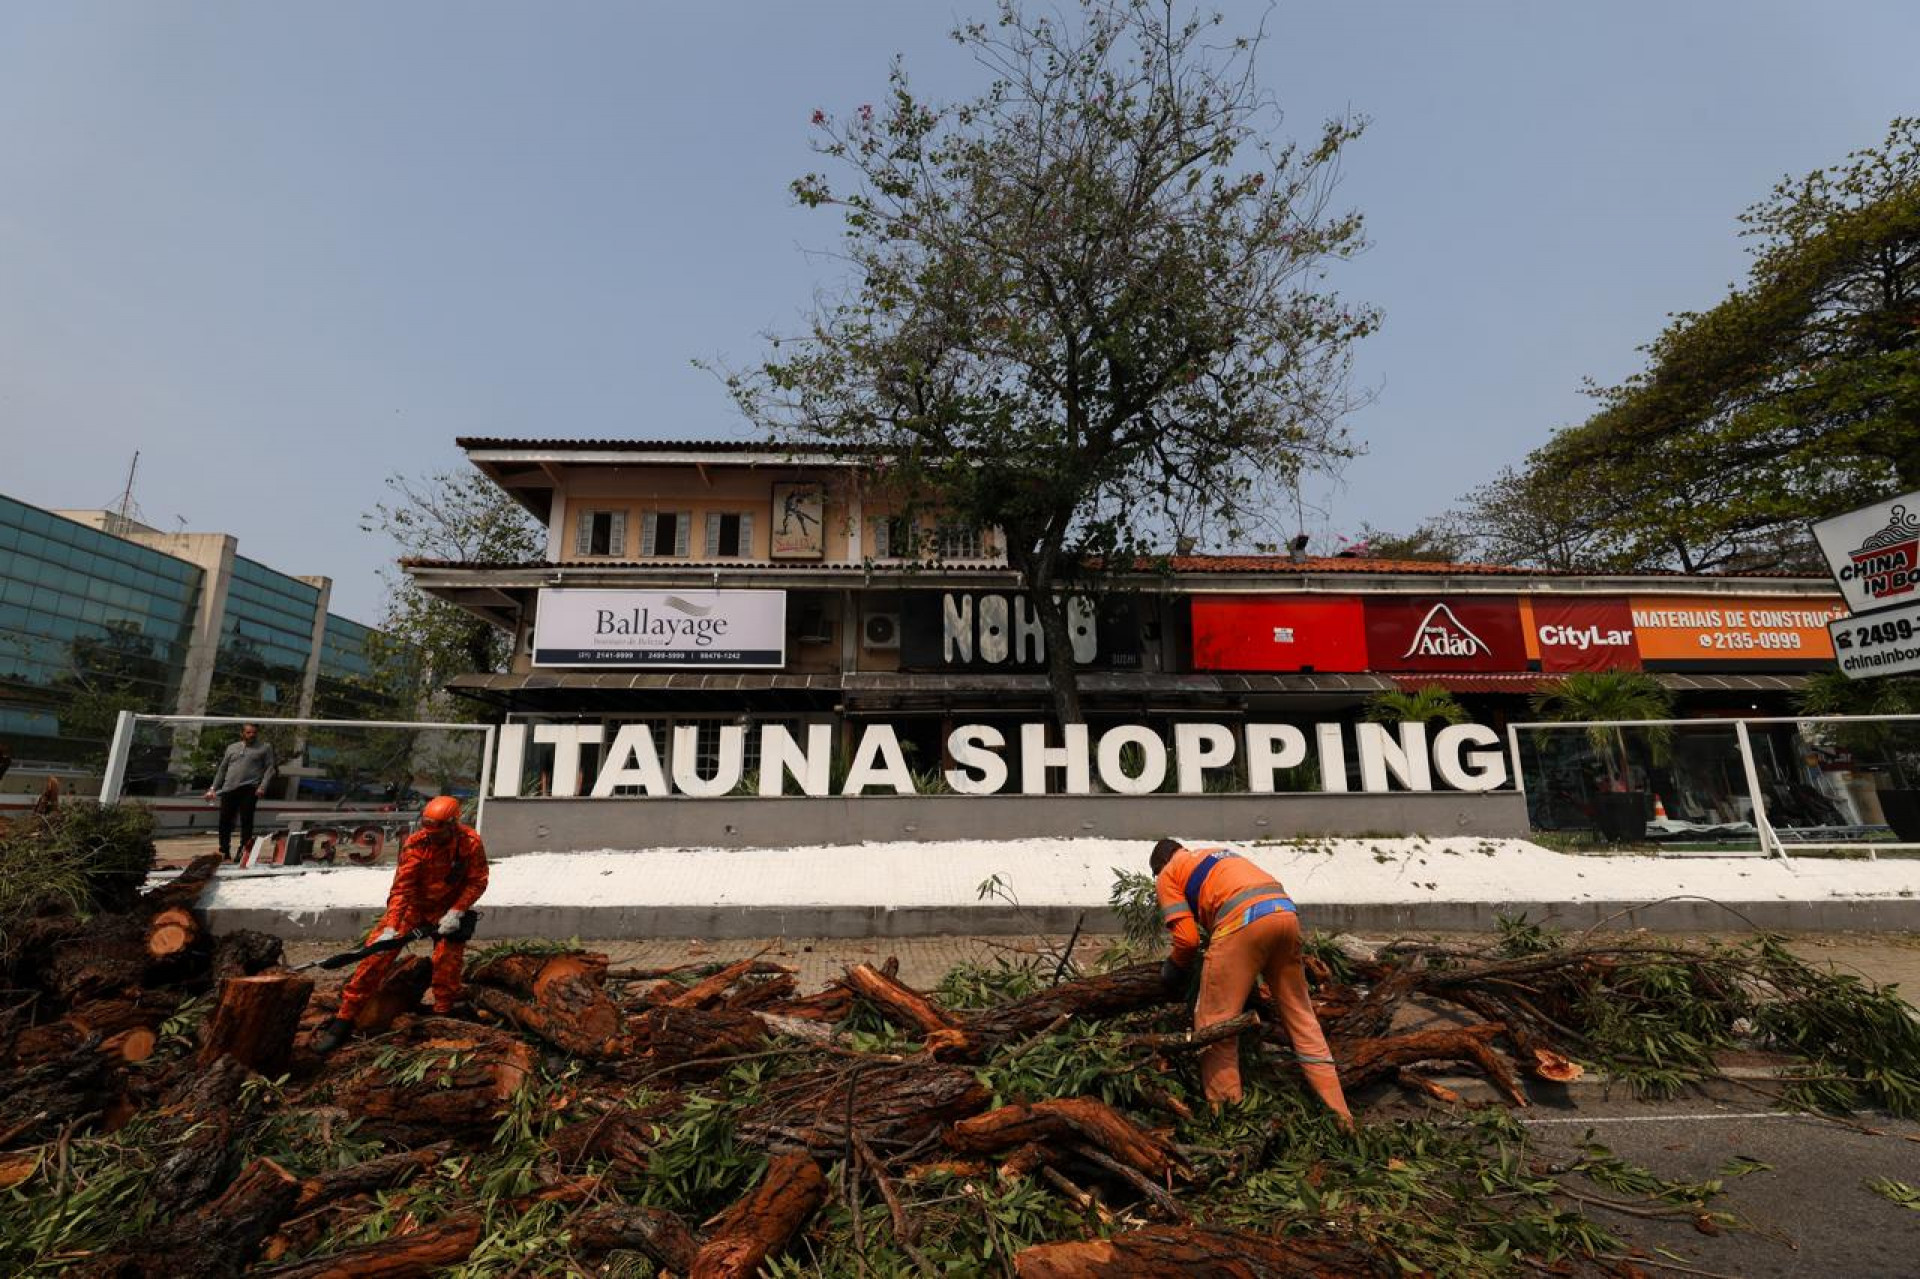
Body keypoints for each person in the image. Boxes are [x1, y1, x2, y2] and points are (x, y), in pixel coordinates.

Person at [1150, 837, 1352, 1125]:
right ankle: (1341, 1118)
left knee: (1215, 1026)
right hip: (1284, 914)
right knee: (1302, 1019)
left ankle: (1229, 1123)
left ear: (1160, 866)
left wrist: (1174, 969)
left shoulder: (1168, 873)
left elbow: (1187, 939)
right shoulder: (1214, 854)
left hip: (1242, 922)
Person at [312, 795, 489, 1053]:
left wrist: (456, 911)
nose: (433, 835)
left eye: (438, 831)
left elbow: (477, 880)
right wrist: (391, 927)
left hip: (447, 910)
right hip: (412, 909)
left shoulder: (470, 843)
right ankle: (344, 1019)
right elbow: (402, 890)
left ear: (453, 824)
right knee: (374, 958)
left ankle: (443, 1013)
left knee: (447, 963)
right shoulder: (416, 845)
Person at [204, 723, 277, 862]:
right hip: (229, 788)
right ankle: (224, 850)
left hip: (249, 788)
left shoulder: (264, 748)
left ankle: (244, 849)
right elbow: (222, 769)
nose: (252, 735)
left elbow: (270, 768)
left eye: (254, 733)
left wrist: (263, 786)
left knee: (246, 820)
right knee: (225, 820)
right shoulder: (232, 747)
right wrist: (213, 788)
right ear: (242, 733)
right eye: (249, 733)